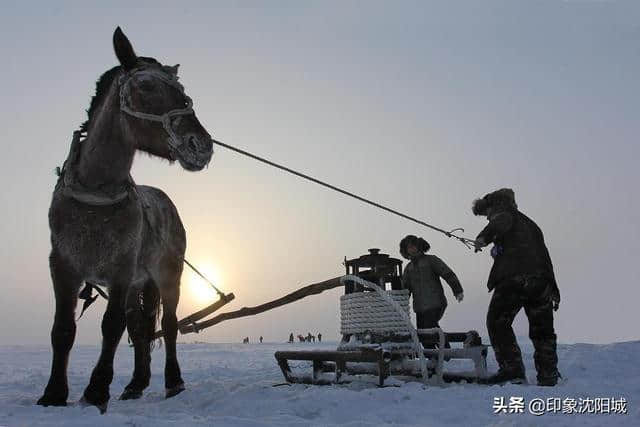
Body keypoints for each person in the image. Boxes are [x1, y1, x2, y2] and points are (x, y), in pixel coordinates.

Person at [473, 188, 560, 386]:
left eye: (487, 214)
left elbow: (499, 223)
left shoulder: (504, 214)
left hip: (516, 279)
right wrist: (553, 288)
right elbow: (545, 257)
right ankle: (548, 375)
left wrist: (483, 238)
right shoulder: (531, 224)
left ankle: (512, 370)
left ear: (493, 206)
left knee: (497, 321)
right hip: (542, 282)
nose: (487, 218)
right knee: (543, 330)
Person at [400, 235, 464, 348]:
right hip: (420, 307)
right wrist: (400, 306)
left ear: (419, 246)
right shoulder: (409, 268)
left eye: (413, 246)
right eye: (408, 247)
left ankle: (446, 349)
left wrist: (457, 290)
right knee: (423, 334)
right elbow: (405, 289)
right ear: (405, 250)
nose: (411, 249)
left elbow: (447, 273)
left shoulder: (431, 260)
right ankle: (432, 359)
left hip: (435, 303)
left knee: (430, 328)